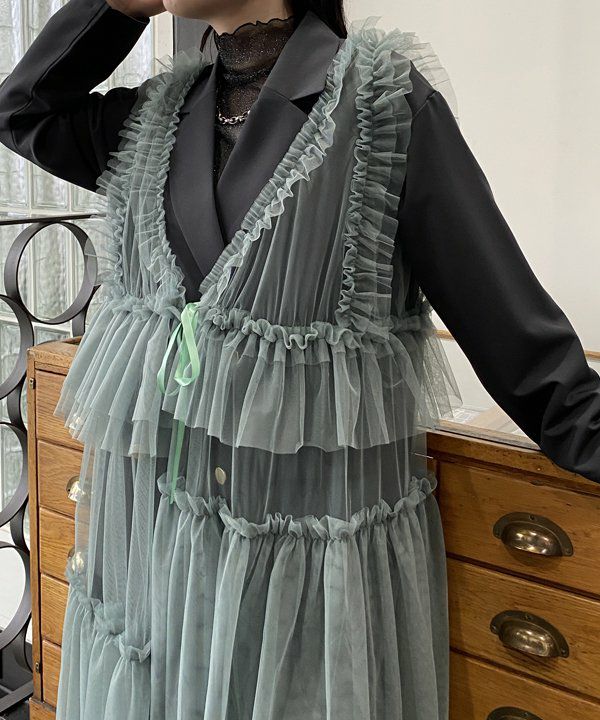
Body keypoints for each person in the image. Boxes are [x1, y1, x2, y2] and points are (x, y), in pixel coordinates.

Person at [0, 1, 598, 718]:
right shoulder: (156, 115)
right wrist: (115, 7)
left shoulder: (380, 107)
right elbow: (24, 110)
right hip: (154, 568)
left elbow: (517, 343)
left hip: (301, 591)